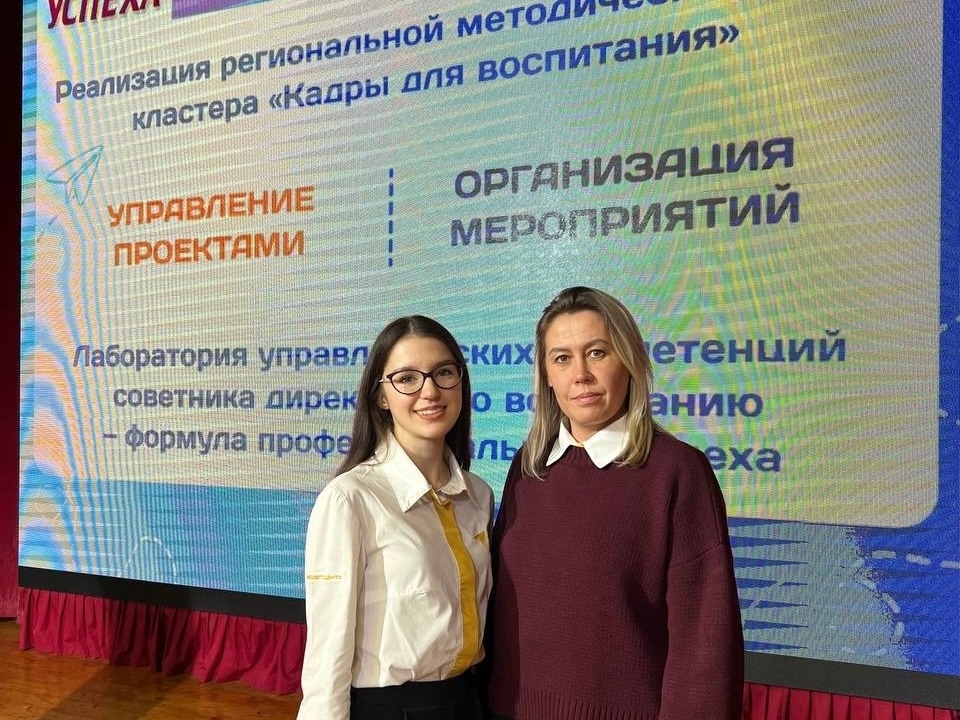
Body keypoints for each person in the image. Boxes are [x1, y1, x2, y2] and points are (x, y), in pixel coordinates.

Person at [485, 287, 744, 720]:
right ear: (547, 375)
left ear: (629, 360)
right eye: (562, 358)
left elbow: (704, 646)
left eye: (597, 353)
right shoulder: (529, 466)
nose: (581, 374)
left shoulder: (677, 472)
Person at [297, 315, 493, 720]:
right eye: (407, 378)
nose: (430, 391)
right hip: (391, 708)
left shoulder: (478, 495)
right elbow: (327, 649)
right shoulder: (350, 499)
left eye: (444, 373)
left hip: (469, 699)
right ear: (381, 397)